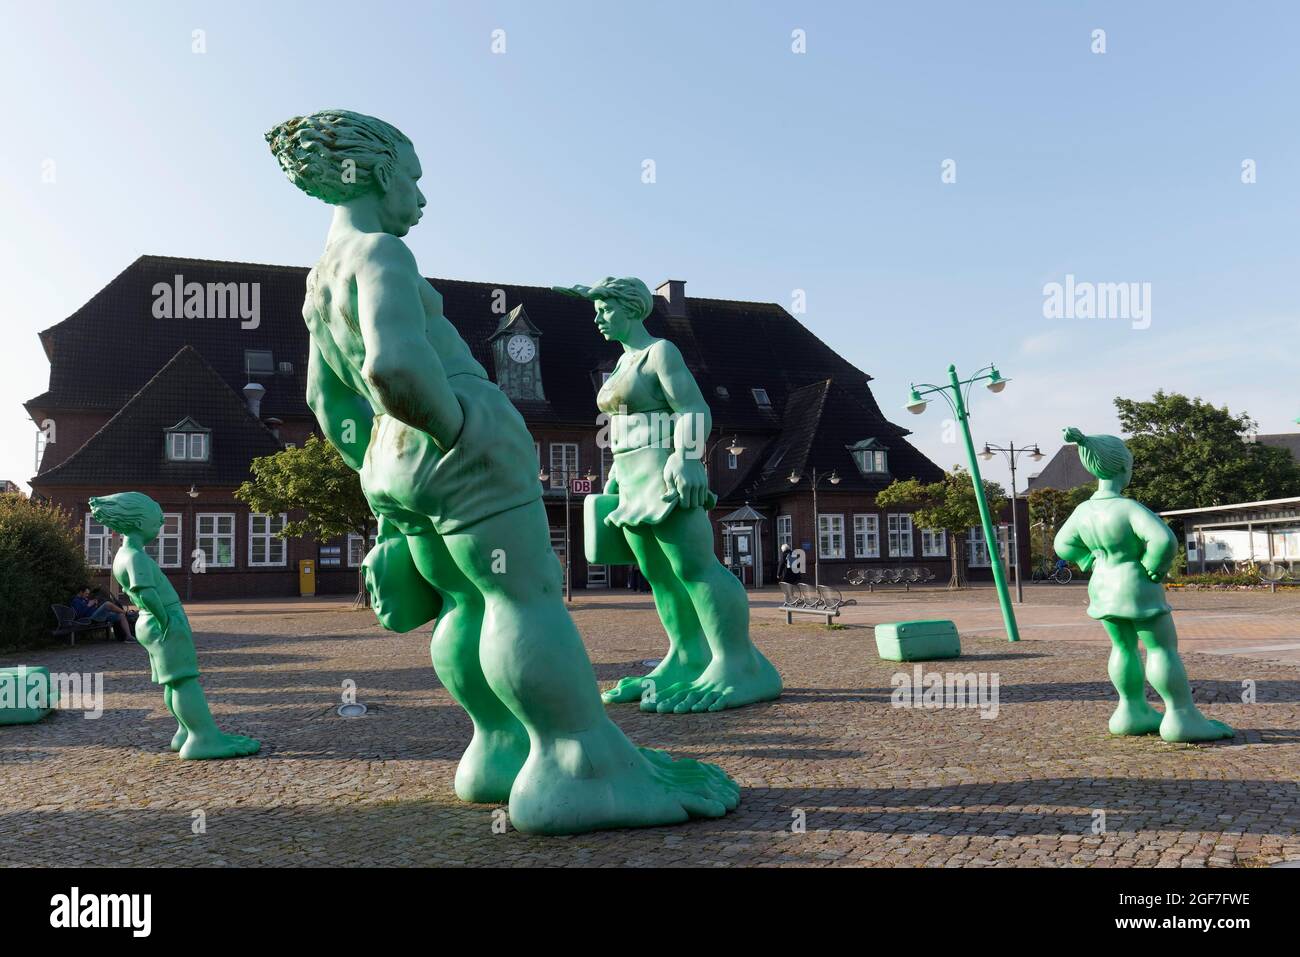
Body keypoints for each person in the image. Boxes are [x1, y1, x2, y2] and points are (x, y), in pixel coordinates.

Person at [266, 110, 737, 833]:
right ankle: (578, 767)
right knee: (524, 597)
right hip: (456, 446)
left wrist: (379, 464)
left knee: (463, 602)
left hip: (397, 461)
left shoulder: (317, 280)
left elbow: (322, 402)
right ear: (380, 171)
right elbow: (393, 363)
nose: (419, 201)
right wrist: (461, 432)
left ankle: (498, 747)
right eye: (414, 179)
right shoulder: (381, 252)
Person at [555, 277, 782, 714]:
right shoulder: (620, 366)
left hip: (666, 473)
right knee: (659, 576)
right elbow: (623, 433)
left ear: (632, 308)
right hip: (631, 478)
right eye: (596, 311)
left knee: (696, 568)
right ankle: (686, 656)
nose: (598, 319)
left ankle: (740, 664)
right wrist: (615, 478)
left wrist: (687, 456)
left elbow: (694, 408)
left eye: (605, 309)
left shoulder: (660, 352)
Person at [1054, 427, 1234, 743]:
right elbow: (1163, 539)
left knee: (1122, 647)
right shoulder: (1128, 507)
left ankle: (1131, 710)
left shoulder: (1084, 511)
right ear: (1124, 467)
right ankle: (1181, 717)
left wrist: (1089, 561)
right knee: (1161, 647)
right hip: (1136, 585)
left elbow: (1062, 545)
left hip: (1103, 587)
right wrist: (1153, 566)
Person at [89, 492, 260, 759]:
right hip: (162, 620)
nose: (160, 527)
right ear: (137, 522)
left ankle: (185, 731)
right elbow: (144, 591)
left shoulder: (124, 554)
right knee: (185, 682)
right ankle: (203, 737)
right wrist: (167, 620)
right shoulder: (136, 557)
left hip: (149, 622)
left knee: (173, 682)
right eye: (157, 521)